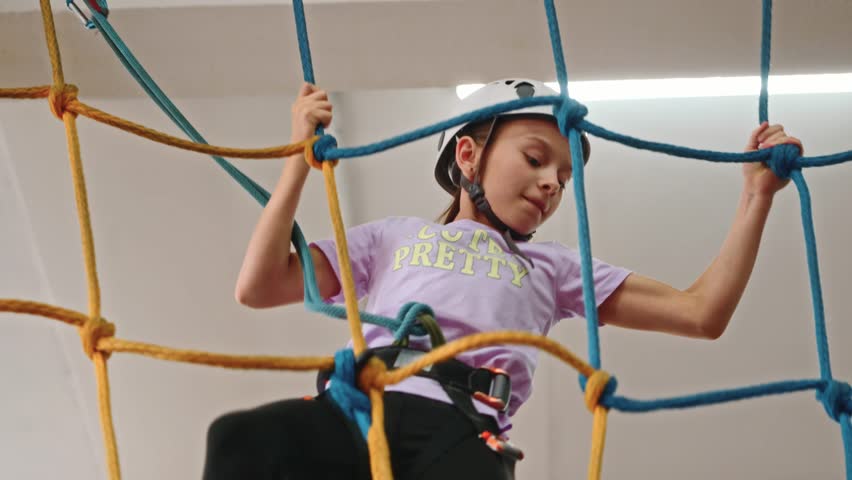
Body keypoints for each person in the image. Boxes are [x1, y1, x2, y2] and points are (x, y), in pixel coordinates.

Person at [202, 79, 803, 480]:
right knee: (238, 438)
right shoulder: (394, 239)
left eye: (564, 178)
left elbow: (702, 313)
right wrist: (296, 160)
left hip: (460, 426)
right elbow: (259, 286)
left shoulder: (553, 268)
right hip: (363, 408)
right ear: (468, 157)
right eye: (537, 159)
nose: (551, 184)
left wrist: (755, 196)